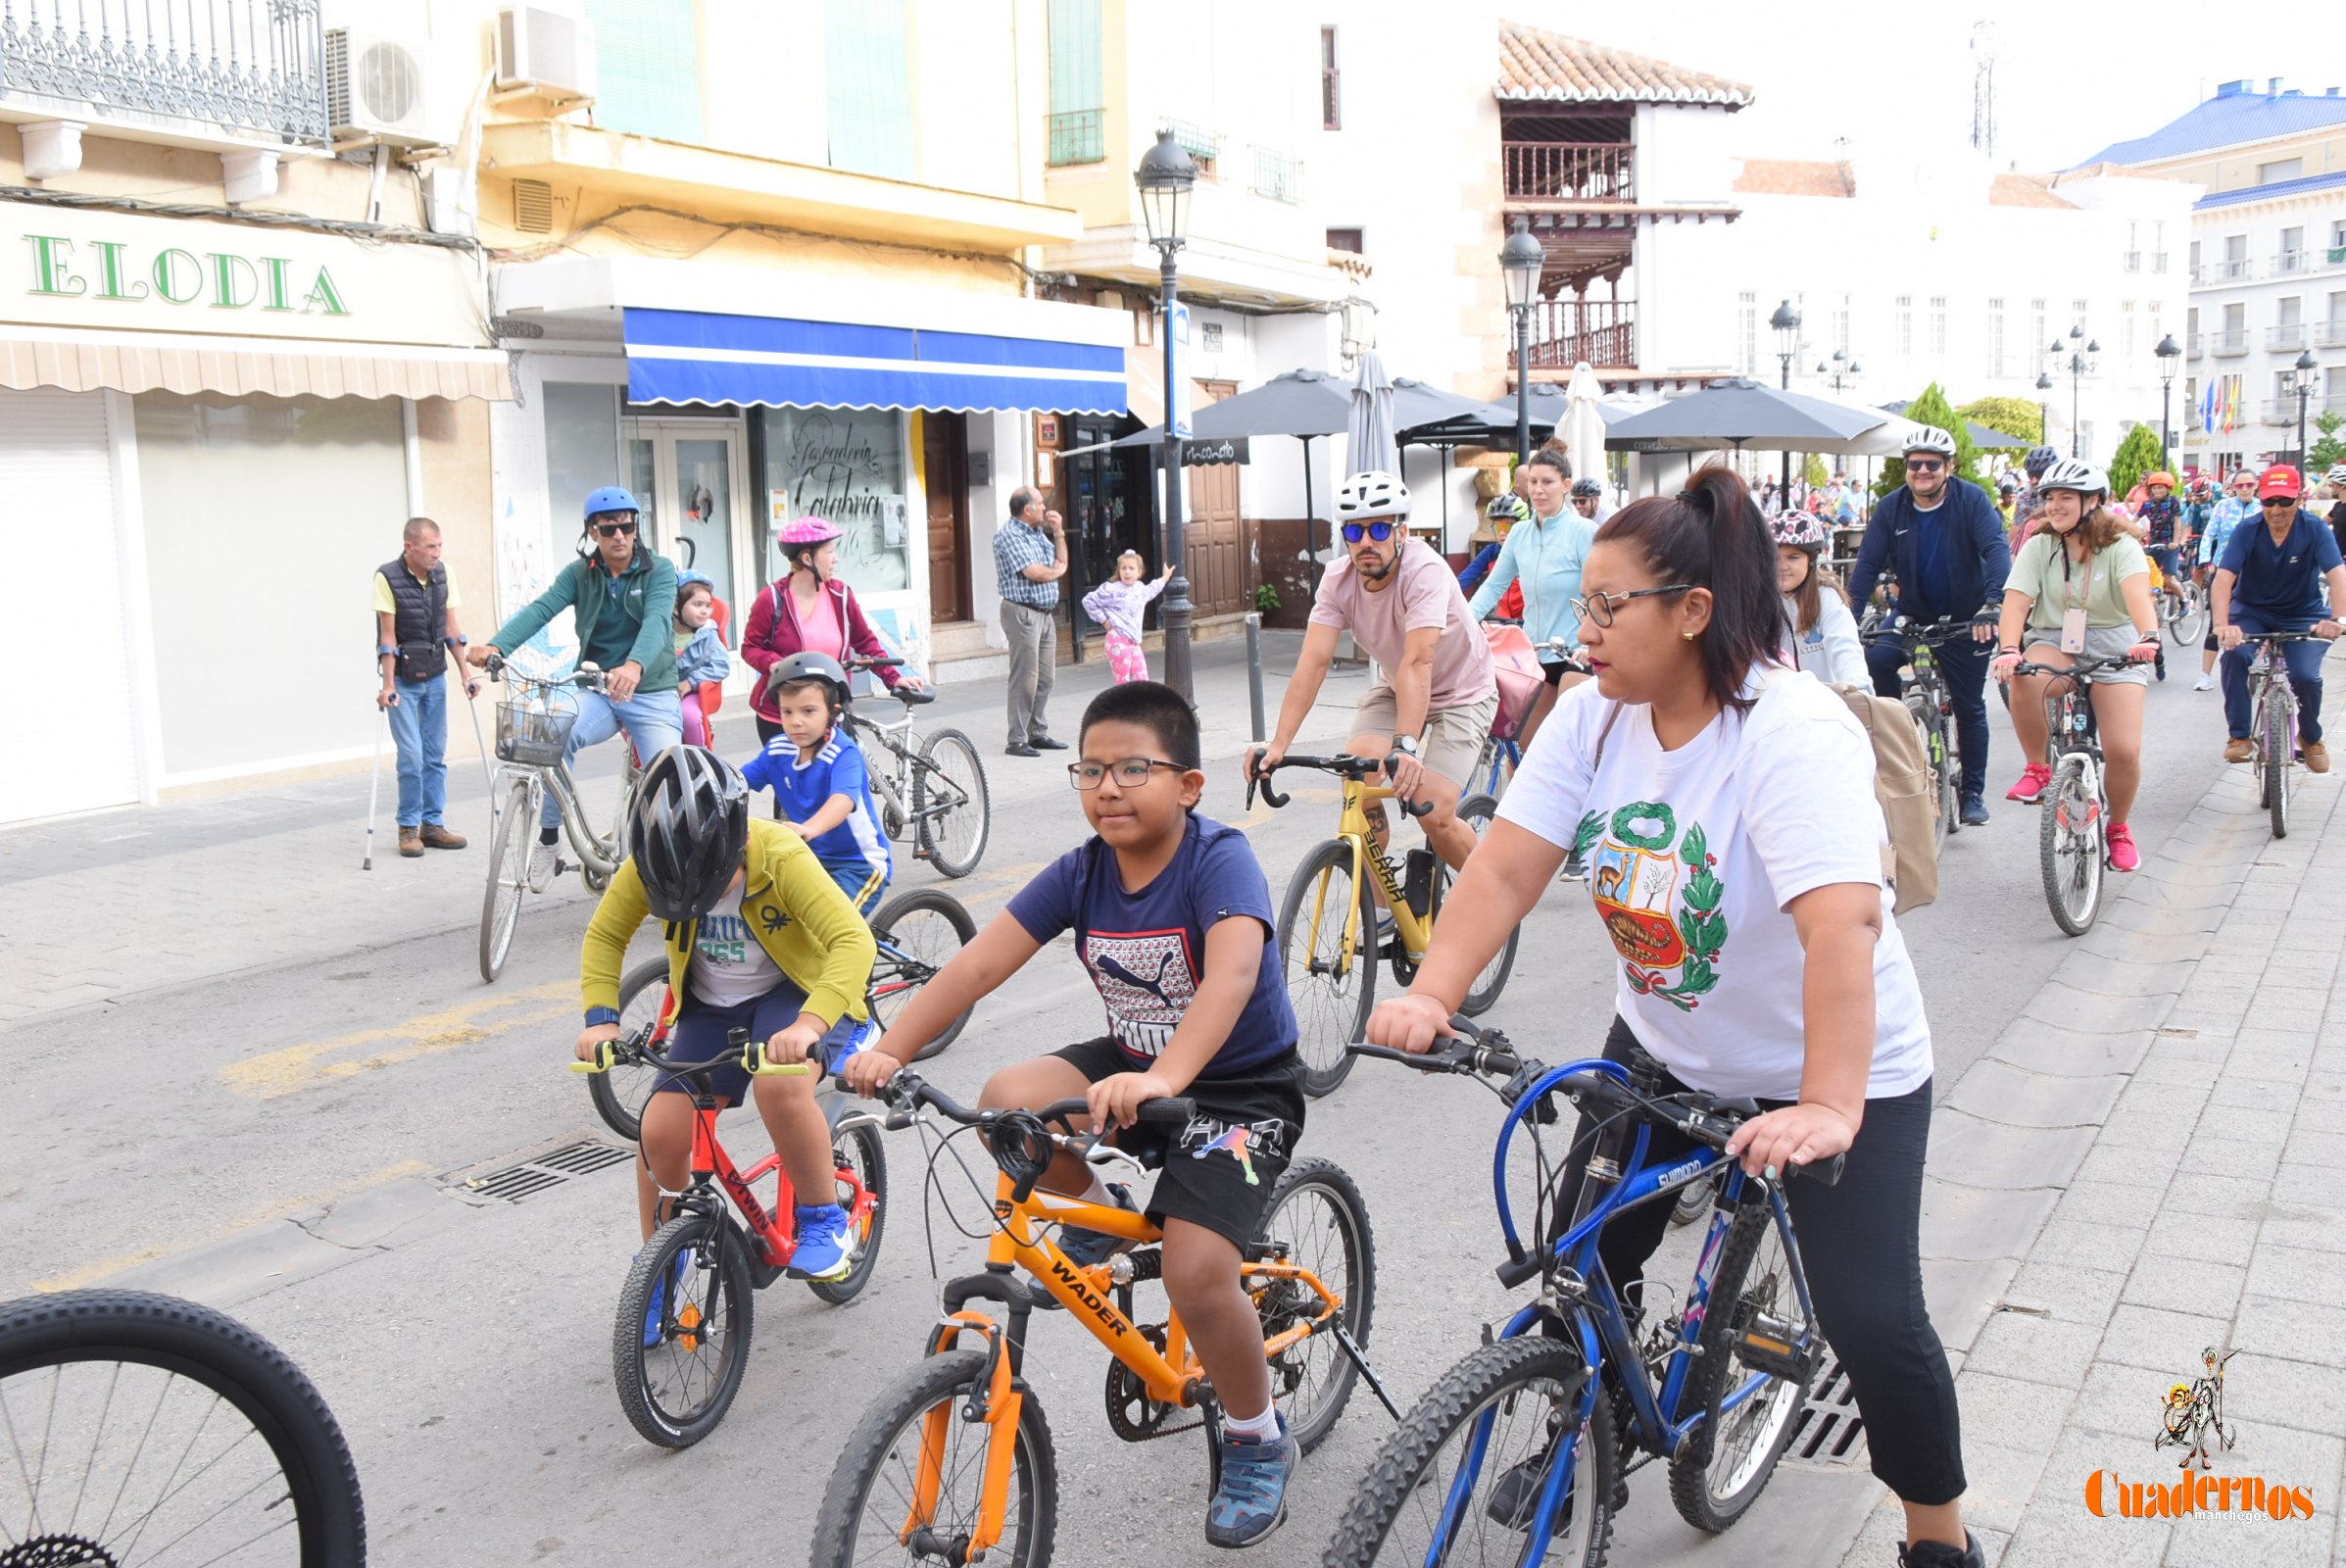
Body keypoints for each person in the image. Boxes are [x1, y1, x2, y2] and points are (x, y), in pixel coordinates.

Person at [1363, 464, 1981, 1568]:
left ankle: (1939, 1537)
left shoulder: (1786, 732)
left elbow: (1839, 927)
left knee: (1872, 1321)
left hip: (1840, 1069)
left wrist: (1831, 1103)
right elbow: (1503, 872)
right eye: (1580, 605)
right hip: (1664, 1047)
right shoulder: (1594, 719)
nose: (1580, 629)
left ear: (1693, 612)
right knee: (1578, 1259)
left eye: (1607, 608)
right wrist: (1428, 992)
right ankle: (1576, 1425)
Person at [845, 681, 1307, 1548]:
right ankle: (1107, 1213)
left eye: (1135, 767)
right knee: (1005, 1103)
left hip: (1239, 1088)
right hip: (1134, 1070)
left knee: (1197, 1272)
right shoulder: (1082, 870)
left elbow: (1233, 976)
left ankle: (1255, 1432)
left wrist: (1166, 1073)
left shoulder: (1219, 858)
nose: (1109, 787)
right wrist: (892, 1048)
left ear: (1190, 785)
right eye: (1090, 769)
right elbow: (976, 967)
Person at [577, 746, 877, 1293]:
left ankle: (822, 1217)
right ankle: (659, 1269)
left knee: (779, 1089)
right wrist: (601, 1020)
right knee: (659, 1132)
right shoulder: (650, 863)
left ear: (738, 842)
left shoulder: (781, 854)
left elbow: (852, 940)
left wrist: (810, 1026)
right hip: (713, 1008)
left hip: (796, 996)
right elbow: (605, 936)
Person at [1246, 471, 1498, 874]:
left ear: (1402, 531)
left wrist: (1406, 747)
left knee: (1431, 811)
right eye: (1355, 530)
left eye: (1379, 528)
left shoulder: (1425, 571)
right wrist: (1278, 743)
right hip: (1398, 687)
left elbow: (1419, 661)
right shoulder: (1337, 579)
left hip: (1462, 693)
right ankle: (1379, 913)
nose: (1367, 542)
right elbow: (1313, 662)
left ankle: (1490, 895)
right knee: (1357, 777)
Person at [468, 486, 679, 879]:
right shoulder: (580, 574)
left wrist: (634, 665)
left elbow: (658, 621)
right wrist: (497, 645)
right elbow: (542, 609)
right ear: (592, 532)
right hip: (598, 691)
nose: (620, 536)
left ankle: (672, 867)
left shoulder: (659, 570)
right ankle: (550, 839)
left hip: (650, 692)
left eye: (628, 527)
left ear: (637, 529)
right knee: (550, 735)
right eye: (609, 528)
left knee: (670, 776)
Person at [1989, 460, 2161, 872]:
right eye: (2049, 497)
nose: (2054, 505)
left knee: (2123, 750)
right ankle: (2038, 768)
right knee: (2026, 676)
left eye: (2066, 497)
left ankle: (2118, 828)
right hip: (2054, 638)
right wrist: (2009, 649)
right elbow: (2015, 602)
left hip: (2115, 644)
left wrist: (2149, 637)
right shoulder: (2039, 545)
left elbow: (2138, 596)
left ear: (2094, 501)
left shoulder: (2121, 545)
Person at [1848, 426, 2009, 827]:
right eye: (1914, 463)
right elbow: (1868, 563)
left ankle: (1972, 792)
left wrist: (1993, 604)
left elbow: (1995, 548)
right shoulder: (1891, 507)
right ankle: (1897, 724)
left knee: (1970, 705)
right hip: (1913, 612)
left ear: (1949, 468)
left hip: (1966, 617)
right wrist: (1848, 614)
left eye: (1932, 464)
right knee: (1877, 657)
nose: (1922, 471)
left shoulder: (1971, 500)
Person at [742, 514, 925, 767]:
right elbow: (750, 648)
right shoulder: (771, 599)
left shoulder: (841, 595)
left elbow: (866, 642)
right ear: (807, 559)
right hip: (782, 715)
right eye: (829, 551)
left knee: (842, 779)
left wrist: (893, 677)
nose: (836, 558)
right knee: (791, 789)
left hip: (831, 709)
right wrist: (774, 662)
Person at [2213, 464, 2346, 771]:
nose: (2276, 509)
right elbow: (2223, 578)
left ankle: (2311, 738)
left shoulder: (2314, 529)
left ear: (2299, 499)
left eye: (2285, 501)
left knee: (2306, 677)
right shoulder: (2247, 530)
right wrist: (2222, 625)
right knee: (2233, 655)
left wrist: (2338, 620)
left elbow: (2338, 574)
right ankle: (2239, 736)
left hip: (2303, 613)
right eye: (2269, 501)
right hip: (2252, 611)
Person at [740, 652, 892, 915]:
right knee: (770, 919)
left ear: (833, 712)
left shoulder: (843, 753)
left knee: (834, 929)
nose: (796, 721)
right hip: (808, 861)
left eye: (808, 711)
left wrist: (807, 829)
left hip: (857, 865)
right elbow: (737, 782)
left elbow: (842, 801)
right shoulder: (777, 750)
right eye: (787, 712)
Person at [1468, 450, 1596, 749]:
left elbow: (1600, 593)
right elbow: (1492, 587)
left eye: (1548, 482)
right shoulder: (1519, 534)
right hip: (1534, 654)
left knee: (1567, 738)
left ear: (1566, 485)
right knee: (1526, 747)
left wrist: (1591, 644)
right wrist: (1461, 623)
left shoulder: (1583, 532)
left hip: (1575, 652)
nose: (1538, 490)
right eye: (1533, 482)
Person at [373, 516, 476, 857]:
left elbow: (452, 629)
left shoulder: (444, 575)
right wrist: (388, 685)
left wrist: (465, 674)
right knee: (411, 756)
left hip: (435, 676)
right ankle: (407, 828)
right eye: (430, 547)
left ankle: (432, 825)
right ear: (410, 547)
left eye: (439, 546)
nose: (436, 553)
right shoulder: (387, 577)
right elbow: (387, 638)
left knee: (434, 755)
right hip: (403, 680)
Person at [995, 487, 1069, 757]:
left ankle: (1037, 732)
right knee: (1025, 678)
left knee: (1046, 678)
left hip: (1045, 613)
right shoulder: (1009, 536)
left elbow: (1061, 560)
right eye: (1040, 503)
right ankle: (1016, 739)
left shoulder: (1037, 533)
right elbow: (1035, 572)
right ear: (1026, 510)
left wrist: (1058, 532)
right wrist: (1056, 571)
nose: (1045, 508)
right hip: (1022, 613)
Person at [1774, 510, 1867, 683]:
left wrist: (1859, 691)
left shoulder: (1826, 597)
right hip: (1775, 702)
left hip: (1824, 702)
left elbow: (1846, 649)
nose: (1782, 566)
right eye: (1774, 558)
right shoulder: (1759, 600)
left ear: (1812, 559)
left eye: (1793, 557)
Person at [2193, 470, 2263, 692]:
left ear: (2256, 486)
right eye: (2239, 485)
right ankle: (2205, 675)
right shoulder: (2222, 506)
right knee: (2217, 623)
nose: (2244, 489)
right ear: (2232, 487)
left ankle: (2259, 661)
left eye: (2249, 485)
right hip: (2225, 570)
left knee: (2256, 619)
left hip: (2254, 573)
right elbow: (2209, 534)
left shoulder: (2263, 507)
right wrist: (2205, 559)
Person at [1081, 548, 1174, 684]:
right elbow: (1088, 601)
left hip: (1134, 642)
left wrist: (1165, 577)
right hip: (1117, 639)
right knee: (1123, 681)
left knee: (1142, 679)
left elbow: (1153, 588)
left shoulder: (1140, 589)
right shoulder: (1111, 589)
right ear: (1119, 571)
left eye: (1131, 568)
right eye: (1123, 568)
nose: (1127, 572)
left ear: (1139, 572)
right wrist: (1103, 620)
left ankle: (1140, 705)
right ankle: (1122, 705)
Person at [672, 570, 730, 748]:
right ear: (676, 607)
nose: (705, 611)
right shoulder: (660, 631)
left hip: (694, 692)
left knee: (689, 717)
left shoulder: (708, 635)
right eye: (697, 604)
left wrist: (690, 682)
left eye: (707, 605)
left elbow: (721, 666)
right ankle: (643, 764)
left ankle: (700, 761)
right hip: (662, 689)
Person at [1457, 493, 1527, 607]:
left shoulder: (1534, 552)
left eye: (1507, 527)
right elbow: (1464, 579)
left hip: (1530, 619)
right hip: (1500, 618)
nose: (1502, 533)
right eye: (1497, 527)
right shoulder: (1491, 552)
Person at [2007, 444, 2060, 551]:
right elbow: (2016, 528)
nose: (2034, 480)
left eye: (2039, 475)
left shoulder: (2068, 492)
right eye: (2030, 475)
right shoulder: (2026, 497)